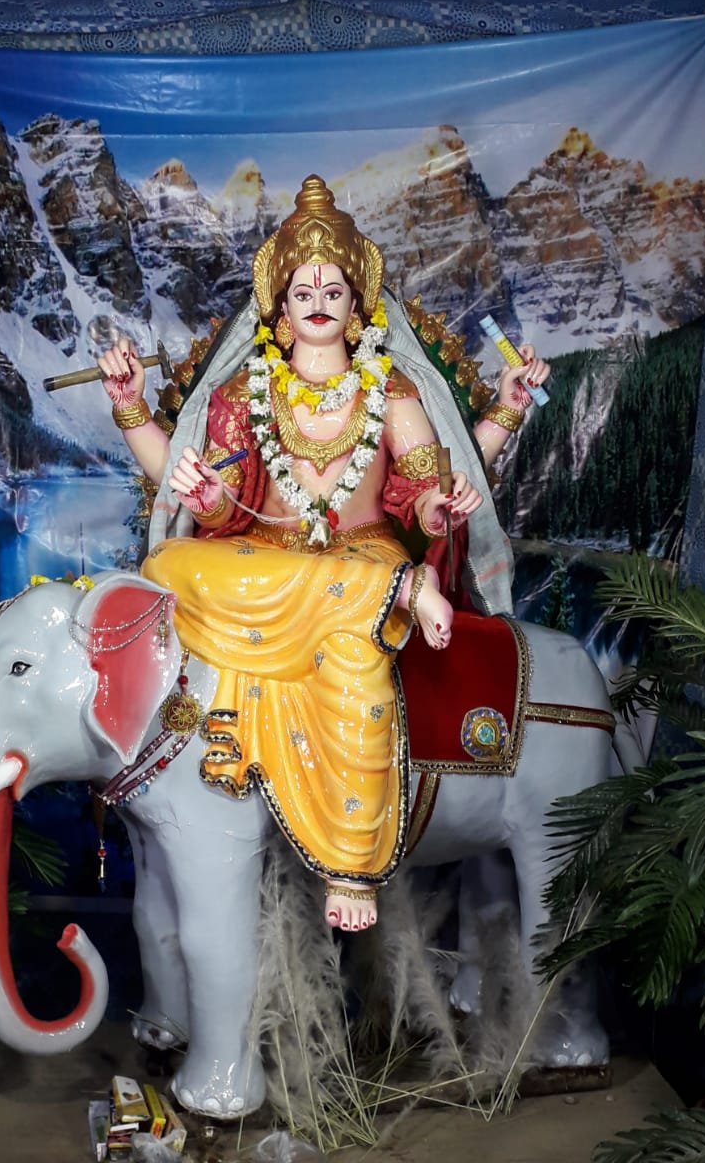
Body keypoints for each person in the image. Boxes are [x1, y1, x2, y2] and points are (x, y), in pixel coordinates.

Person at [97, 176, 549, 933]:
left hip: (364, 559)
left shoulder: (389, 390)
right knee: (169, 565)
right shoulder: (243, 393)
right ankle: (399, 593)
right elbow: (221, 506)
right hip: (268, 560)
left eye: (332, 290)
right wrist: (148, 428)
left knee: (354, 654)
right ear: (277, 307)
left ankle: (351, 862)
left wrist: (441, 509)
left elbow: (420, 493)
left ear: (356, 304)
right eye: (301, 290)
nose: (316, 301)